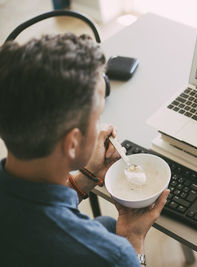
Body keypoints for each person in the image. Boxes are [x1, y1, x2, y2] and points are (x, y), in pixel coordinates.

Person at [0, 33, 169, 266]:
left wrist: (85, 179)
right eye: (98, 116)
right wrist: (133, 241)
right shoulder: (114, 256)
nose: (102, 126)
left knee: (109, 225)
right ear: (72, 143)